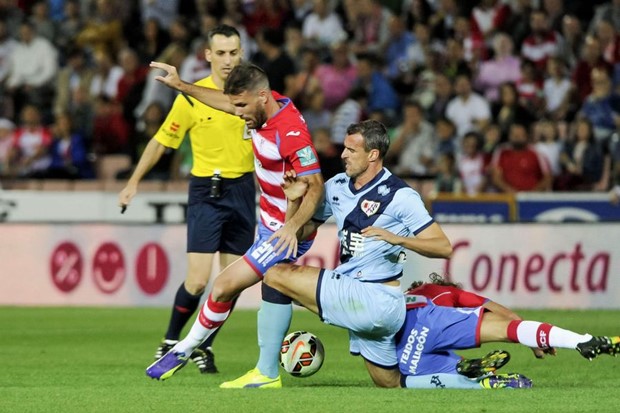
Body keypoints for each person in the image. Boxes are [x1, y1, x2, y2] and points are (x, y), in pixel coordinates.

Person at [145, 60, 324, 387]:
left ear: (261, 95)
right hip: (270, 224)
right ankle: (267, 373)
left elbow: (316, 187)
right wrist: (182, 85)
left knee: (225, 285)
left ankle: (184, 349)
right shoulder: (264, 107)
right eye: (235, 104)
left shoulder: (290, 132)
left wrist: (291, 227)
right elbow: (227, 101)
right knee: (275, 289)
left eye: (241, 105)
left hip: (285, 230)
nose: (236, 112)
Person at [263, 119, 453, 388]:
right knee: (391, 383)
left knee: (274, 275)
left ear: (373, 155)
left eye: (351, 150)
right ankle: (470, 381)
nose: (343, 155)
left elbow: (443, 247)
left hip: (375, 298)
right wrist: (293, 201)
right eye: (344, 148)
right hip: (364, 303)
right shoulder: (337, 185)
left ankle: (265, 371)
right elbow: (298, 233)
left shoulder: (401, 196)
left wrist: (396, 238)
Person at [118, 25, 256, 375]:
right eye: (221, 53)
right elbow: (162, 141)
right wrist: (134, 181)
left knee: (231, 282)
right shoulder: (192, 96)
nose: (227, 60)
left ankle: (203, 346)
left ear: (241, 54)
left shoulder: (254, 96)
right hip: (206, 191)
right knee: (197, 281)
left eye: (233, 52)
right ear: (208, 55)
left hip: (243, 190)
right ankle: (169, 339)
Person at [396, 274, 620, 389]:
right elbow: (506, 316)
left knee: (407, 378)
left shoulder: (397, 300)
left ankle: (479, 378)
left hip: (404, 354)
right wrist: (533, 341)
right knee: (508, 329)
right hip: (431, 325)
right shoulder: (446, 291)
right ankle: (582, 341)